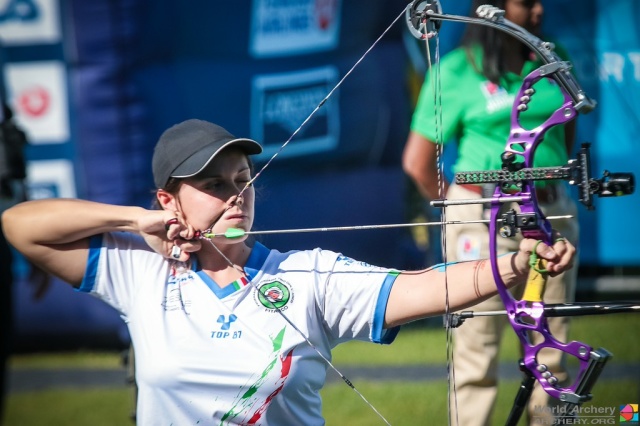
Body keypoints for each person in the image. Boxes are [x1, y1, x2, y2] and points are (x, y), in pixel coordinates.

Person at [2, 119, 575, 425]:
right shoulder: (140, 272)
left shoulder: (306, 276)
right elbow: (20, 225)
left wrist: (517, 261)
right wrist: (137, 220)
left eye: (243, 179)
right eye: (213, 184)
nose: (235, 196)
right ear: (168, 199)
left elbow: (425, 288)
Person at [402, 1, 580, 425]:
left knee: (551, 347)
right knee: (475, 346)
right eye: (525, 3)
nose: (538, 10)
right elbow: (418, 162)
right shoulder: (457, 70)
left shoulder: (552, 57)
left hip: (549, 212)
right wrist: (465, 205)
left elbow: (566, 131)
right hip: (482, 217)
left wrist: (544, 183)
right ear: (494, 9)